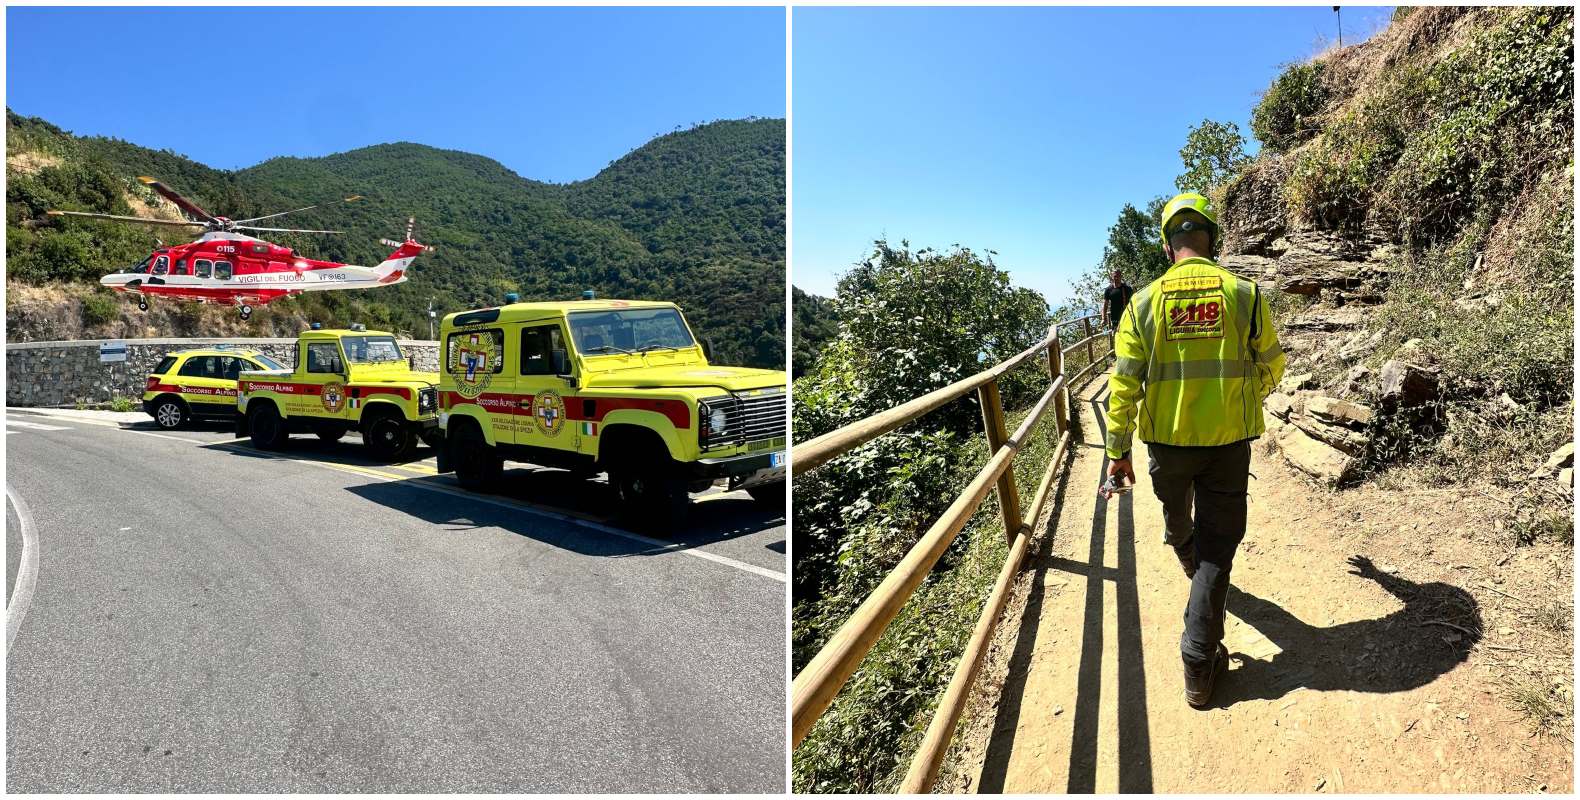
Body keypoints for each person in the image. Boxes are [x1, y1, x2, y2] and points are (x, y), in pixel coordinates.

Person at [1102, 192, 1286, 708]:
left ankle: (1182, 542)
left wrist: (1118, 452)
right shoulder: (1244, 294)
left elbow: (1124, 385)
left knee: (1178, 516)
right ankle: (1198, 659)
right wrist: (1242, 398)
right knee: (1217, 549)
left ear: (1167, 247)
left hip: (1166, 448)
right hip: (1228, 446)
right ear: (1214, 239)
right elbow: (1273, 364)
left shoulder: (1140, 304)